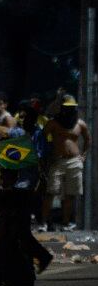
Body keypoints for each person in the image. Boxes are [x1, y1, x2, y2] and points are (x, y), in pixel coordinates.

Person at [0, 166, 40, 286]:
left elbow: (37, 194)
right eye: (1, 176)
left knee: (26, 283)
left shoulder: (21, 197)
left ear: (14, 179)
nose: (2, 180)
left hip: (14, 246)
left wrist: (42, 177)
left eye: (6, 177)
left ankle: (6, 275)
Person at [40, 95, 91, 232]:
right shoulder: (53, 123)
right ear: (61, 108)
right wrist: (48, 152)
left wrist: (83, 155)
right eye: (66, 108)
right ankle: (44, 223)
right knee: (51, 192)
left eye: (71, 108)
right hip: (57, 161)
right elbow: (42, 137)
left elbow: (87, 139)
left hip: (74, 162)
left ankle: (66, 223)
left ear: (74, 108)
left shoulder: (80, 124)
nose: (68, 110)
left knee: (70, 194)